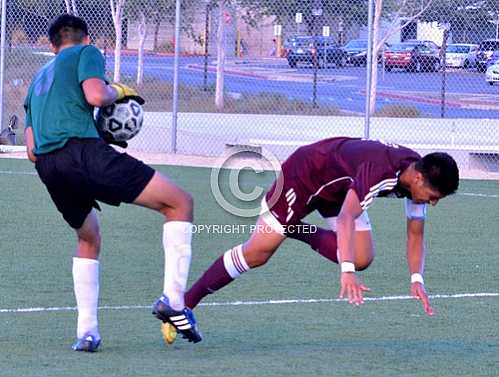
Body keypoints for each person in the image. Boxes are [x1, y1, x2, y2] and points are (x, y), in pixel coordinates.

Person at [164, 137, 459, 342]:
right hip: (305, 173)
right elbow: (345, 218)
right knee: (258, 253)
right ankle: (185, 303)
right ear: (419, 179)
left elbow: (415, 232)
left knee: (362, 256)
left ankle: (292, 228)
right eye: (433, 197)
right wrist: (346, 273)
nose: (432, 203)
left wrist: (417, 278)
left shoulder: (415, 175)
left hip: (338, 186)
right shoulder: (381, 173)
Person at [23, 14, 202, 352]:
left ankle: (87, 332)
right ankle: (174, 300)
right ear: (85, 38)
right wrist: (115, 91)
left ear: (52, 44)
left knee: (87, 237)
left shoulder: (36, 81)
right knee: (180, 203)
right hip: (84, 154)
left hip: (49, 167)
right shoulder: (86, 53)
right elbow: (95, 95)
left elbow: (31, 150)